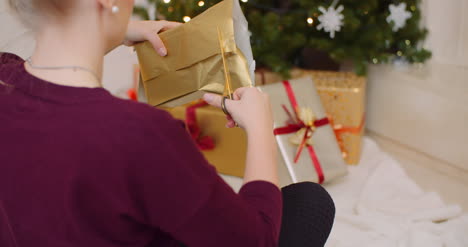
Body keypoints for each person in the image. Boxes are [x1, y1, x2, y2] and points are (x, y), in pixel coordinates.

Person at [0, 0, 335, 246]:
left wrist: (112, 29)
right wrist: (262, 130)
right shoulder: (140, 133)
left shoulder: (5, 76)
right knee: (310, 204)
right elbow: (255, 240)